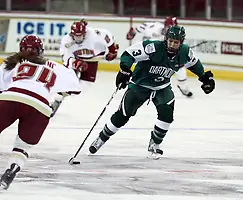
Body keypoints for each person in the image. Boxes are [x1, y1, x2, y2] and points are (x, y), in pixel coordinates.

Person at [89, 25, 215, 159]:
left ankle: (155, 144)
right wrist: (125, 69)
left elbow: (195, 64)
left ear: (181, 43)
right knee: (123, 115)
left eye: (176, 42)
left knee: (167, 115)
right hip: (139, 86)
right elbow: (128, 54)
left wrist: (205, 78)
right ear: (166, 39)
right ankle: (101, 138)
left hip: (162, 87)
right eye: (170, 41)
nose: (172, 45)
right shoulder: (152, 47)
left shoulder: (185, 52)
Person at [0, 35, 81, 190]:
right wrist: (60, 95)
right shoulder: (55, 66)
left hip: (11, 97)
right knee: (23, 146)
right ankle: (13, 169)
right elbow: (75, 87)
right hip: (40, 106)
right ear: (40, 50)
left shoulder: (11, 63)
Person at [51, 19, 119, 117]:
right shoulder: (67, 40)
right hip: (76, 59)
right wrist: (75, 63)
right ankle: (56, 99)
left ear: (85, 33)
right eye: (76, 36)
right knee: (67, 81)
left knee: (82, 87)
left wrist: (113, 50)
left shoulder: (95, 35)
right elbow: (65, 58)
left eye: (80, 35)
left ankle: (63, 94)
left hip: (92, 61)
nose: (78, 38)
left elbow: (108, 37)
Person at [126, 16, 194, 97]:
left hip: (161, 56)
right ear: (165, 26)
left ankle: (183, 87)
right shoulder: (153, 27)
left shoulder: (177, 35)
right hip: (147, 54)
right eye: (169, 28)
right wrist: (131, 33)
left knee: (180, 65)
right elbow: (136, 28)